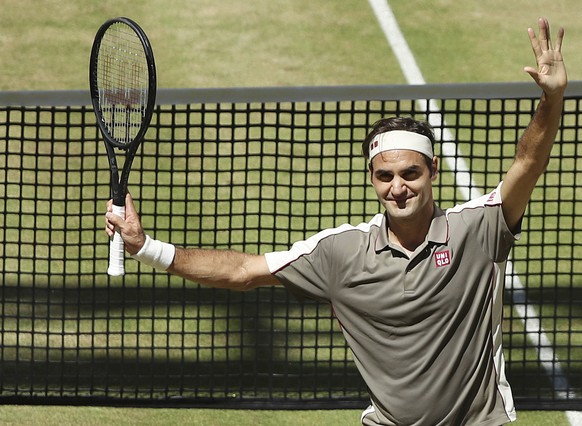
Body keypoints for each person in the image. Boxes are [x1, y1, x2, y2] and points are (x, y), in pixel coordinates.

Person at [105, 18, 567, 426]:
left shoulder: (478, 231)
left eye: (410, 173)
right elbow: (244, 272)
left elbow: (527, 162)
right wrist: (146, 246)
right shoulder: (341, 253)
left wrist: (552, 99)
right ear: (372, 179)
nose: (398, 188)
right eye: (385, 176)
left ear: (433, 173)